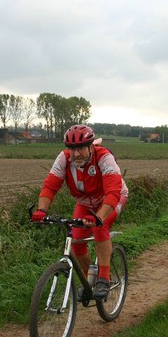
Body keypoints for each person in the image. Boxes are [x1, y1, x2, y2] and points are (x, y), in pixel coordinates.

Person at [31, 124, 129, 300]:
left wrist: (99, 217)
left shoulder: (104, 157)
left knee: (100, 226)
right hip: (85, 203)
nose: (76, 154)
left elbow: (113, 193)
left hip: (112, 198)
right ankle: (88, 280)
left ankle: (104, 278)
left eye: (81, 148)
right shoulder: (64, 159)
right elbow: (50, 186)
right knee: (76, 241)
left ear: (91, 147)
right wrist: (41, 210)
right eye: (72, 149)